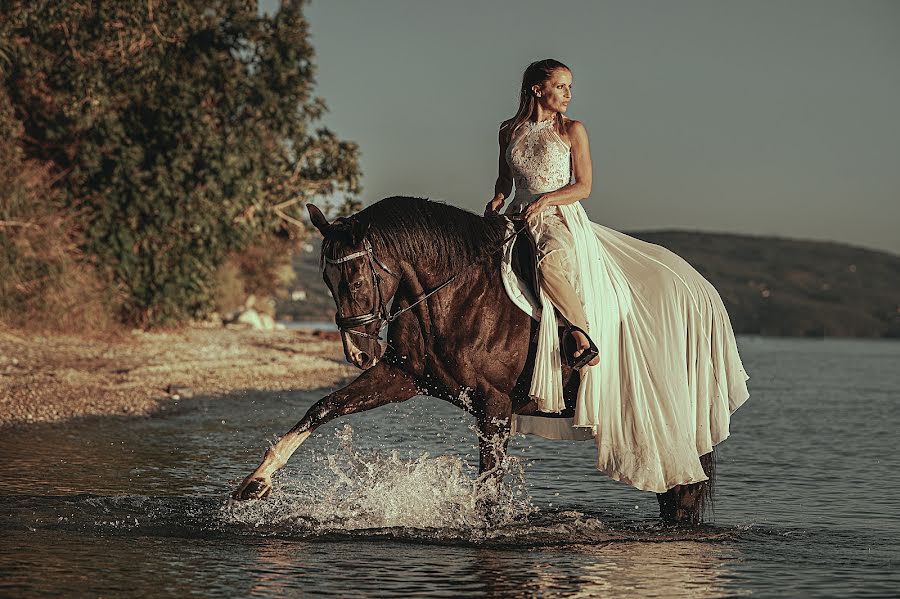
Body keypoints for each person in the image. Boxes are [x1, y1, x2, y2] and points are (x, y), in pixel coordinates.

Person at [485, 59, 750, 494]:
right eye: (561, 86)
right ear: (536, 90)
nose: (568, 94)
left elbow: (584, 186)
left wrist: (547, 201)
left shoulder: (572, 131)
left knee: (551, 264)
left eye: (570, 87)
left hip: (560, 218)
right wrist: (496, 200)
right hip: (518, 215)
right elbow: (504, 181)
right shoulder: (507, 131)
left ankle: (579, 335)